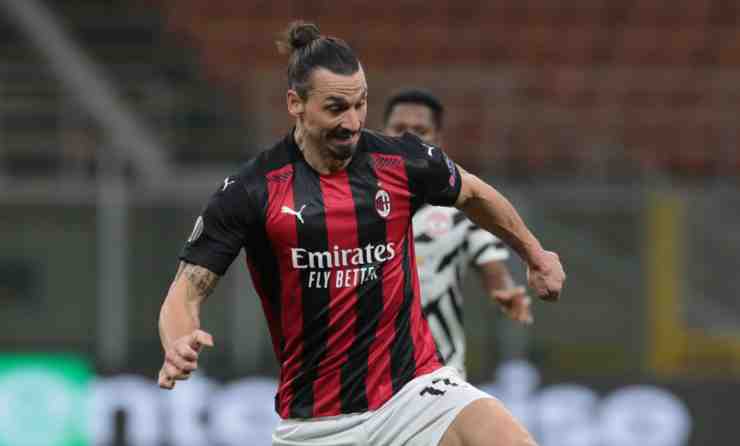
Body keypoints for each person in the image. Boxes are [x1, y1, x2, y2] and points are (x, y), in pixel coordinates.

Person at [157, 21, 564, 446]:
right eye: (336, 108)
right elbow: (185, 293)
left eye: (360, 104)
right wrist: (178, 341)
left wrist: (534, 254)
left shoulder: (400, 161)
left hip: (413, 392)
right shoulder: (252, 190)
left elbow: (474, 193)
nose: (352, 122)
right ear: (295, 103)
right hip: (317, 424)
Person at [383, 89, 532, 379]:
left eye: (420, 131)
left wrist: (503, 288)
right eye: (399, 129)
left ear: (437, 140)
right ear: (382, 133)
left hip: (438, 373)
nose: (408, 140)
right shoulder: (355, 204)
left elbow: (491, 265)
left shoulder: (461, 214)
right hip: (369, 378)